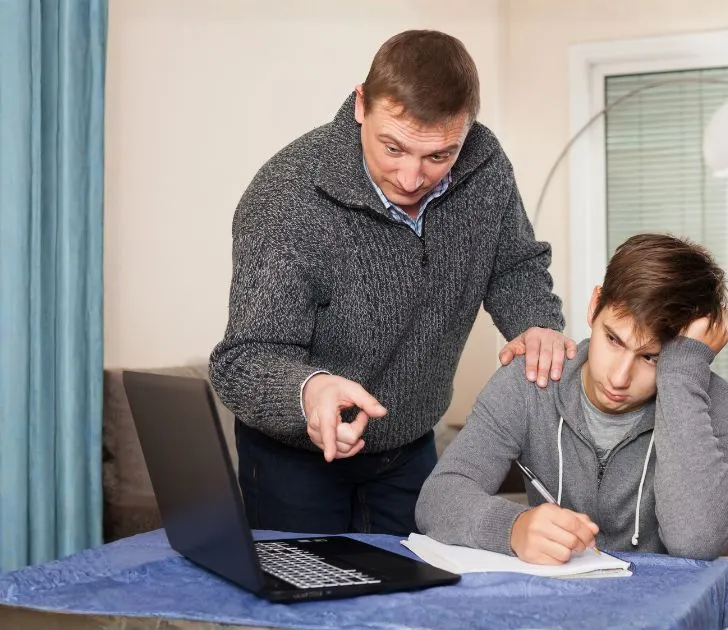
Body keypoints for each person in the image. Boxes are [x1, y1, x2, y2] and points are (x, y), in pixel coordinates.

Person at [208, 30, 575, 537]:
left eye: (438, 156)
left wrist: (535, 323)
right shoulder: (287, 196)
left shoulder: (485, 165)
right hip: (294, 462)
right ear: (361, 104)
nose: (410, 177)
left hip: (410, 447)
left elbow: (512, 264)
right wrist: (308, 388)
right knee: (311, 610)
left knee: (422, 603)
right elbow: (243, 361)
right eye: (393, 147)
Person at [416, 234, 728, 562]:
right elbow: (438, 499)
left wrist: (682, 373)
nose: (619, 378)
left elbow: (696, 542)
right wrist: (512, 528)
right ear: (595, 305)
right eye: (613, 339)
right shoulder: (532, 380)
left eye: (652, 358)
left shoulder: (719, 407)